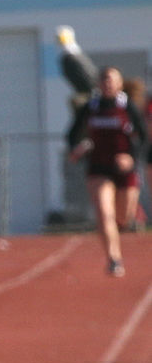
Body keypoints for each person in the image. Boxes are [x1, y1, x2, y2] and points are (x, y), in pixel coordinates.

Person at [67, 66, 146, 277]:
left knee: (122, 218)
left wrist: (130, 157)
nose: (107, 83)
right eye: (103, 80)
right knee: (104, 212)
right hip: (98, 167)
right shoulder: (90, 106)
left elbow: (143, 136)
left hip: (124, 170)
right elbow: (73, 134)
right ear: (98, 84)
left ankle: (122, 224)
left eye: (111, 80)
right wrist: (78, 148)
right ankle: (114, 258)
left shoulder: (127, 106)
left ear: (119, 84)